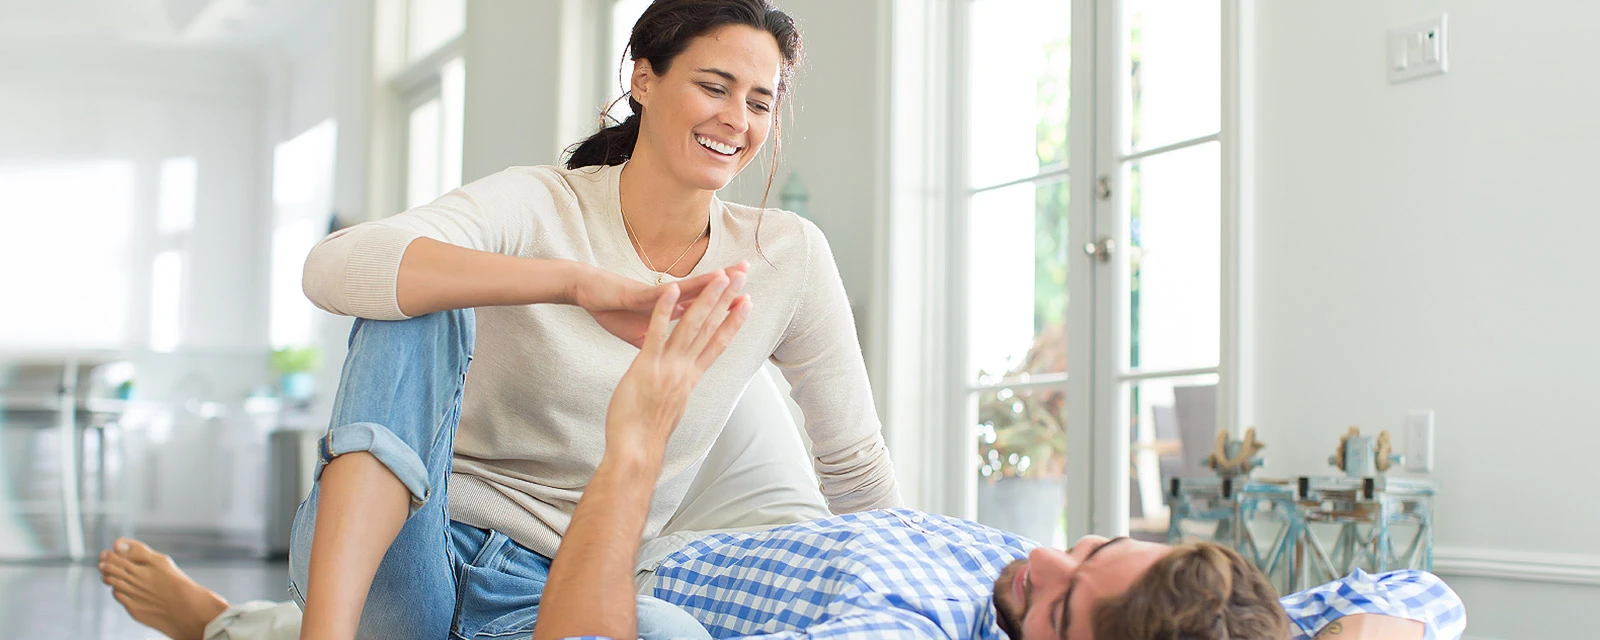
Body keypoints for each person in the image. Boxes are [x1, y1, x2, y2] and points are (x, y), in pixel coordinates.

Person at [100, 297, 1468, 640]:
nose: (1039, 561)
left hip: (596, 589)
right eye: (1090, 545)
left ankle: (262, 625)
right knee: (736, 315)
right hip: (775, 512)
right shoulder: (1159, 588)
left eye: (1055, 610)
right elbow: (1423, 588)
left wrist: (636, 435)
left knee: (413, 318)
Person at [288, 1, 901, 638]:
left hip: (556, 594)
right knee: (410, 297)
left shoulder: (786, 258)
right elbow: (337, 265)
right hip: (403, 548)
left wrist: (919, 595)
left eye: (759, 102)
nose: (736, 119)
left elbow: (854, 467)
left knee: (673, 633)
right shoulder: (540, 203)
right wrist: (575, 285)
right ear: (643, 79)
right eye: (713, 87)